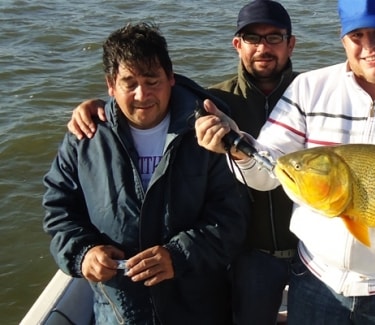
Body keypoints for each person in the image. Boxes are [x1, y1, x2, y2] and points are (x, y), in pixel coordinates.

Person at [65, 1, 375, 324]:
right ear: (237, 44)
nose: (263, 47)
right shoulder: (224, 101)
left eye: (274, 38)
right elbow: (163, 89)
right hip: (280, 260)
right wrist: (102, 106)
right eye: (253, 38)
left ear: (291, 44)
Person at [195, 0, 375, 323]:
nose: (369, 46)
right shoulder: (309, 89)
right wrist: (238, 150)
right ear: (342, 38)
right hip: (316, 281)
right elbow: (269, 172)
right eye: (357, 35)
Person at [42, 22, 249, 324]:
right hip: (118, 310)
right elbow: (58, 210)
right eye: (130, 83)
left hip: (197, 307)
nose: (142, 94)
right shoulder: (84, 137)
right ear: (111, 85)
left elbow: (232, 217)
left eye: (153, 81)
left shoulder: (207, 135)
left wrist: (177, 256)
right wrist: (83, 253)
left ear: (171, 79)